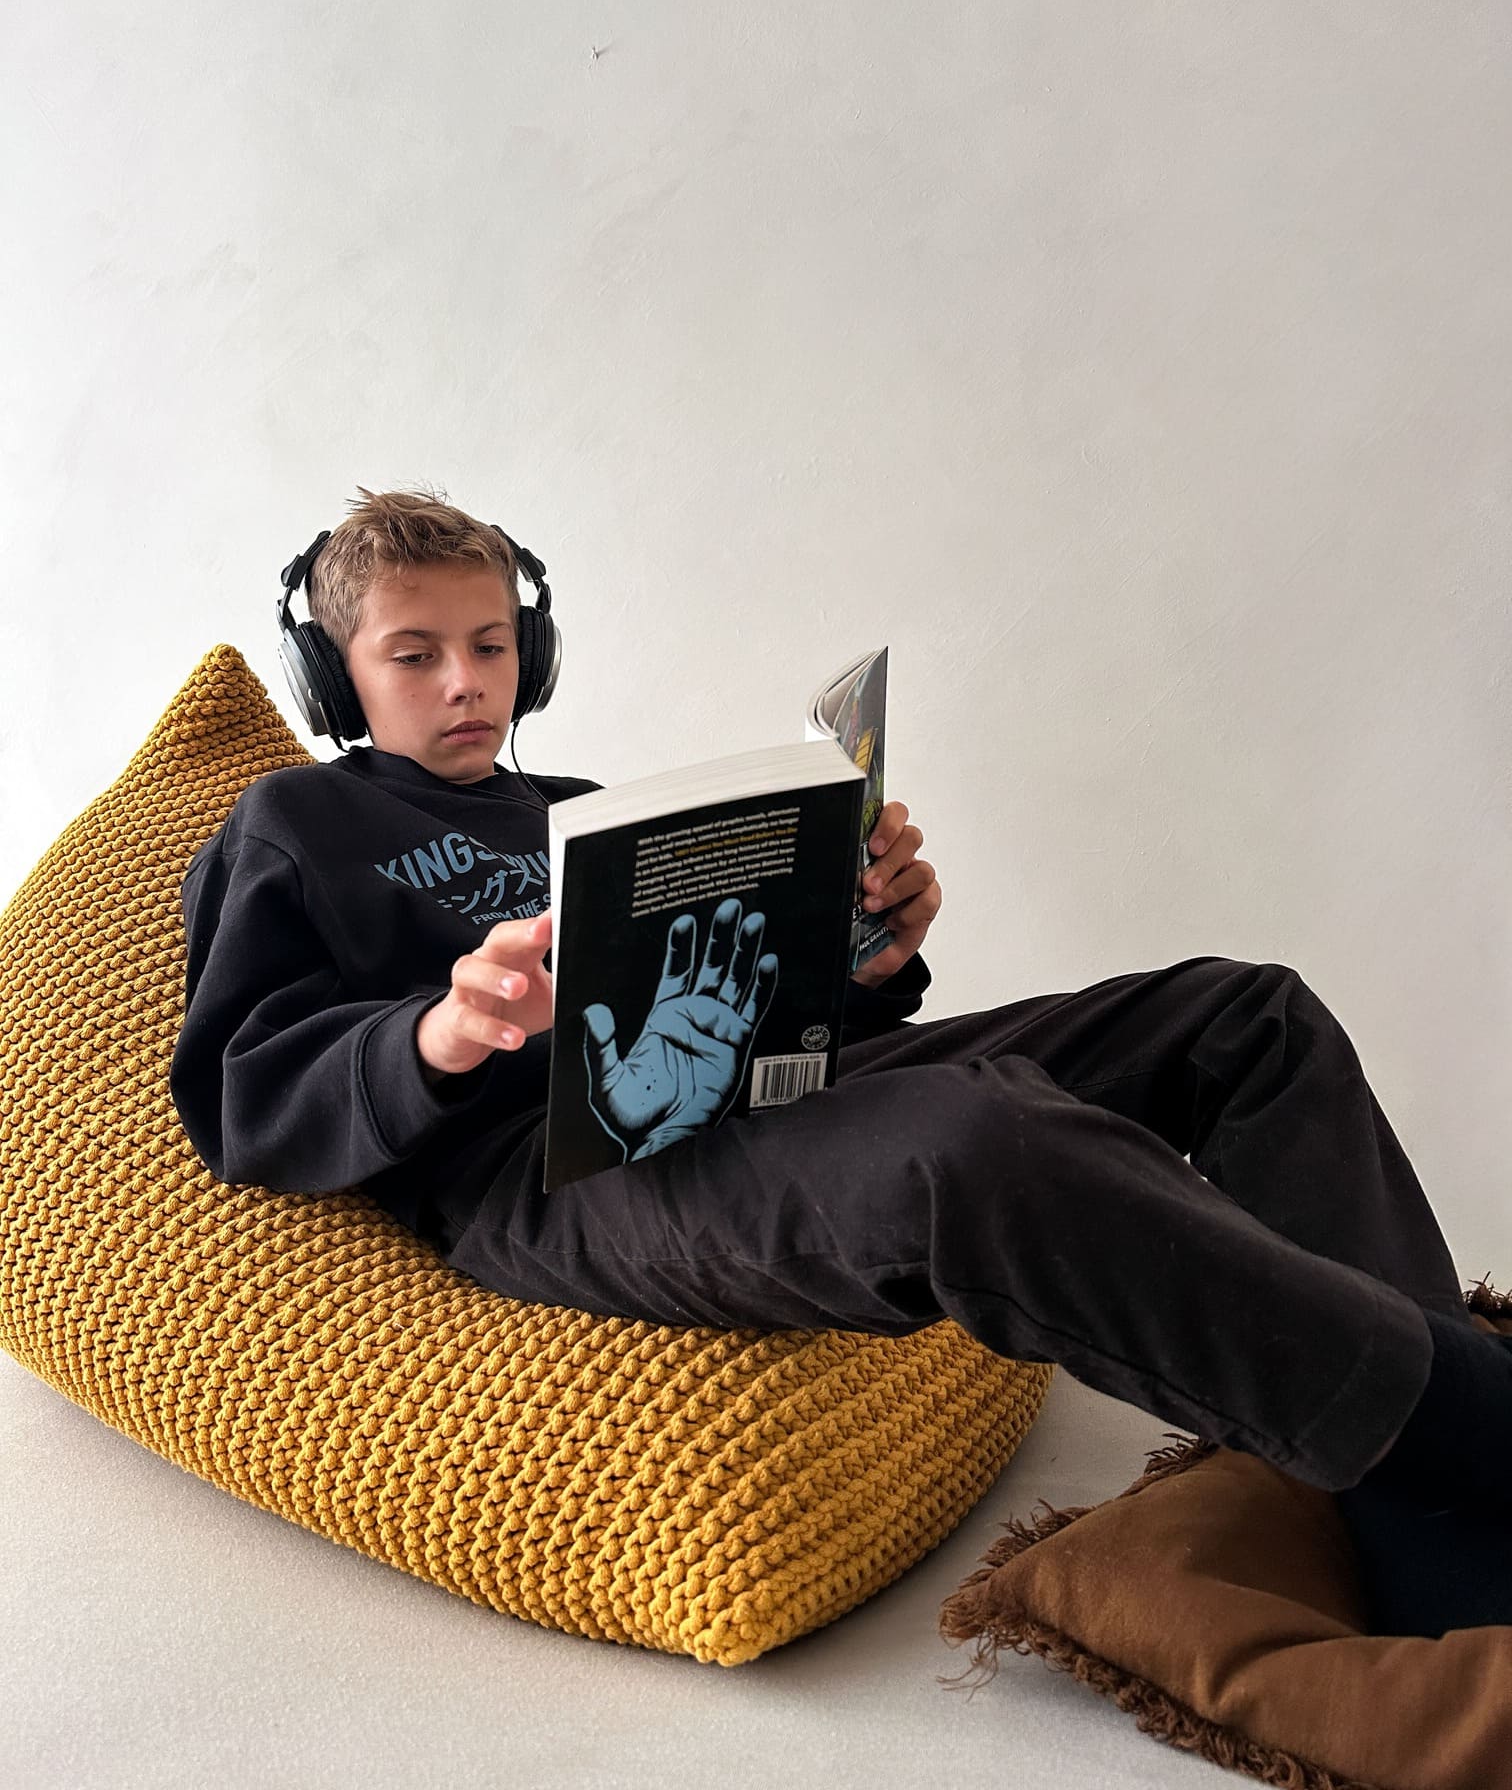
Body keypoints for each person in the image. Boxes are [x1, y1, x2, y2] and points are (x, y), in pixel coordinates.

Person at [170, 483, 1512, 1637]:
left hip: (735, 1105)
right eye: (415, 654)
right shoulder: (294, 822)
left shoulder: (578, 816)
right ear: (336, 671)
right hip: (546, 1170)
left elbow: (781, 1038)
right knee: (970, 1141)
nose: (467, 682)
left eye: (491, 644)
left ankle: (1421, 1494)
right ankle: (1469, 1440)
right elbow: (242, 1090)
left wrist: (867, 959)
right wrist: (441, 1031)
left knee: (1243, 1017)